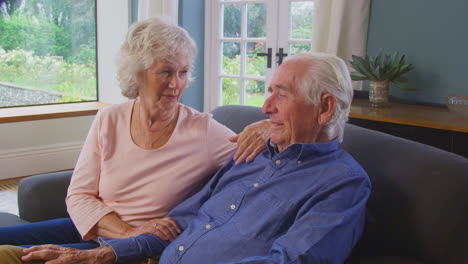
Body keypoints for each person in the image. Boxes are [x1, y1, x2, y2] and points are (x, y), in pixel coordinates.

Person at [4, 52, 371, 264]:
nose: (265, 107)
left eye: (282, 95)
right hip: (127, 248)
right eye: (268, 92)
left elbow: (290, 261)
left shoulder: (341, 184)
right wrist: (103, 256)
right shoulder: (253, 155)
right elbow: (184, 217)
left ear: (325, 109)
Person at [0, 17, 268, 251]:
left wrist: (269, 127)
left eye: (183, 72)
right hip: (95, 227)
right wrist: (125, 230)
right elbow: (79, 195)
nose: (176, 84)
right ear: (137, 73)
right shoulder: (109, 118)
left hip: (134, 248)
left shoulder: (204, 130)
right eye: (165, 71)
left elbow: (274, 162)